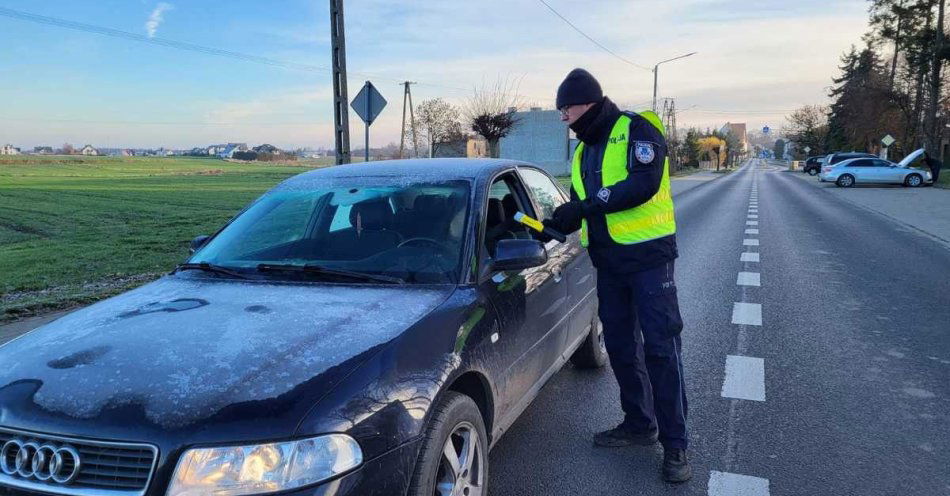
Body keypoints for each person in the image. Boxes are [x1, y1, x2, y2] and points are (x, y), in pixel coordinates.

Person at [544, 68, 690, 483]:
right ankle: (639, 424)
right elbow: (579, 208)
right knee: (623, 348)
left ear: (587, 103)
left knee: (661, 349)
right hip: (609, 264)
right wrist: (554, 223)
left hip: (649, 261)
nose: (563, 119)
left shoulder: (637, 129)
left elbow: (641, 185)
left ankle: (676, 444)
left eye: (565, 110)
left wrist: (586, 206)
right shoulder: (581, 153)